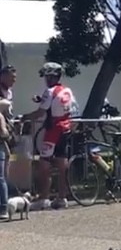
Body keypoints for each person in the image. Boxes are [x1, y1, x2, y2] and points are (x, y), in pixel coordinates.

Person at [22, 62, 75, 210]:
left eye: (46, 76)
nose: (45, 79)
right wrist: (42, 99)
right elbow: (62, 105)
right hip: (65, 128)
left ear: (51, 77)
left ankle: (43, 198)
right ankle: (62, 197)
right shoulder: (67, 90)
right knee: (62, 165)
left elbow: (40, 113)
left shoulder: (49, 91)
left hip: (53, 130)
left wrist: (24, 117)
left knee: (43, 164)